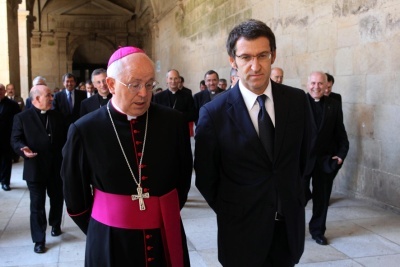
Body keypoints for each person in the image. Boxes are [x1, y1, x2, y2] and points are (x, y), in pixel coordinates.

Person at [61, 46, 193, 266]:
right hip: (110, 239)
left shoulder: (173, 122)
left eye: (149, 84)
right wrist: (105, 224)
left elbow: (183, 179)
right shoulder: (84, 130)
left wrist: (158, 214)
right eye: (135, 85)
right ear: (111, 85)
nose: (144, 93)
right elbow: (76, 198)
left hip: (164, 235)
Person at [194, 19, 311, 266]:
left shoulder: (297, 101)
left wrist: (294, 197)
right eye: (246, 57)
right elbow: (206, 177)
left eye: (263, 55)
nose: (255, 66)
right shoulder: (213, 114)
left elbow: (305, 156)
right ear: (232, 60)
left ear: (273, 55)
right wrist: (233, 211)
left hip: (288, 229)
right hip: (240, 233)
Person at [11, 85, 67, 253]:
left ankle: (55, 224)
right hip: (34, 168)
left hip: (56, 167)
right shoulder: (21, 117)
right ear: (36, 99)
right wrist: (22, 149)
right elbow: (15, 139)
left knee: (57, 199)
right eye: (48, 95)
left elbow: (66, 139)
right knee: (37, 205)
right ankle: (39, 239)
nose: (52, 98)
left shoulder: (58, 116)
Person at [304, 71, 349, 246]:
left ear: (326, 85)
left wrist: (341, 156)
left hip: (325, 162)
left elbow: (341, 135)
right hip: (302, 162)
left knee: (322, 200)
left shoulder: (333, 105)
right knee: (299, 197)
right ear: (307, 84)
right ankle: (295, 231)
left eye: (320, 83)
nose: (317, 87)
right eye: (313, 83)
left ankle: (317, 231)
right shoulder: (297, 104)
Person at [0, 83, 20, 191]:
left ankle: (5, 182)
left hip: (6, 138)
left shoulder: (12, 105)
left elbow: (17, 122)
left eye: (1, 90)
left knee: (6, 161)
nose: (0, 92)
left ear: (5, 91)